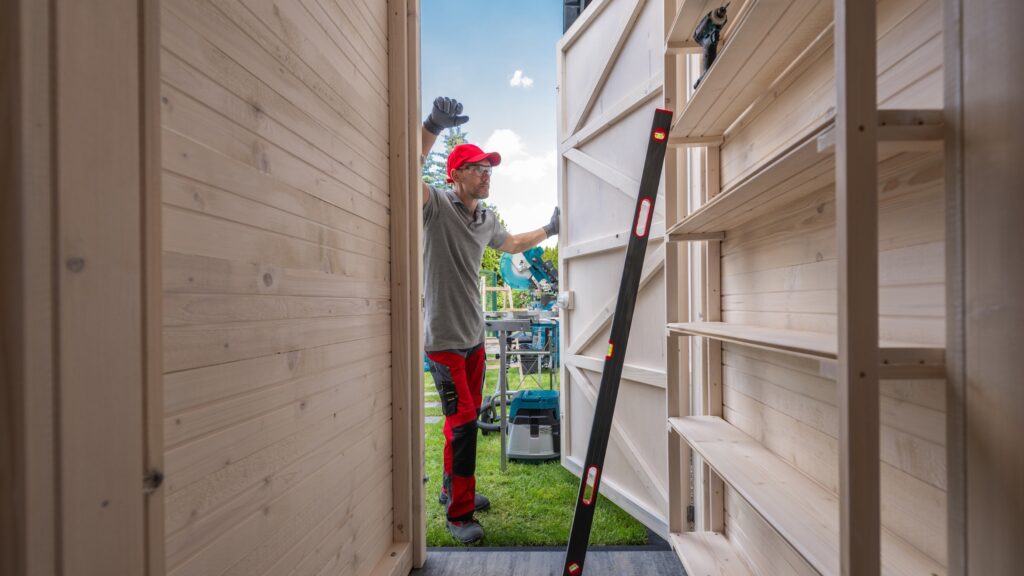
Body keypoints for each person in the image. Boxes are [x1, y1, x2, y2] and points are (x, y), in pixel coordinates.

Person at [420, 96, 559, 544]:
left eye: (490, 168)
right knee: (462, 425)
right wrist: (431, 127)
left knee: (461, 420)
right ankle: (459, 514)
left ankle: (451, 488)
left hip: (474, 339)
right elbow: (402, 170)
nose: (487, 174)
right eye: (479, 167)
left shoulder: (487, 219)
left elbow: (514, 243)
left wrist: (550, 229)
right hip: (442, 340)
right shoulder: (436, 207)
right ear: (455, 175)